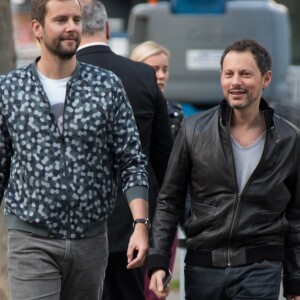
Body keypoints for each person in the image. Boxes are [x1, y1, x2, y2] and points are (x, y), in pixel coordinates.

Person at [0, 0, 149, 299]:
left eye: (76, 19)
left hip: (91, 242)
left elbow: (131, 159)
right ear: (37, 28)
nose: (71, 27)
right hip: (31, 240)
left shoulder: (106, 86)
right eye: (61, 20)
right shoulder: (10, 90)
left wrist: (141, 224)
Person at [147, 38, 300, 300]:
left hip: (261, 267)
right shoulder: (193, 130)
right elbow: (169, 201)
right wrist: (159, 260)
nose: (235, 82)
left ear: (266, 78)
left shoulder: (289, 139)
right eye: (229, 74)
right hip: (203, 267)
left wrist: (295, 279)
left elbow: (296, 216)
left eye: (245, 74)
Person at [76, 1, 173, 300]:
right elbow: (162, 158)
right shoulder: (143, 76)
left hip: (73, 225)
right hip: (130, 228)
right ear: (107, 28)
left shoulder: (62, 76)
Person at [131, 40, 184, 300]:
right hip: (133, 213)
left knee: (157, 288)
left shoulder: (176, 114)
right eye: (153, 69)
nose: (161, 76)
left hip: (163, 215)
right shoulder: (125, 114)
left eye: (165, 69)